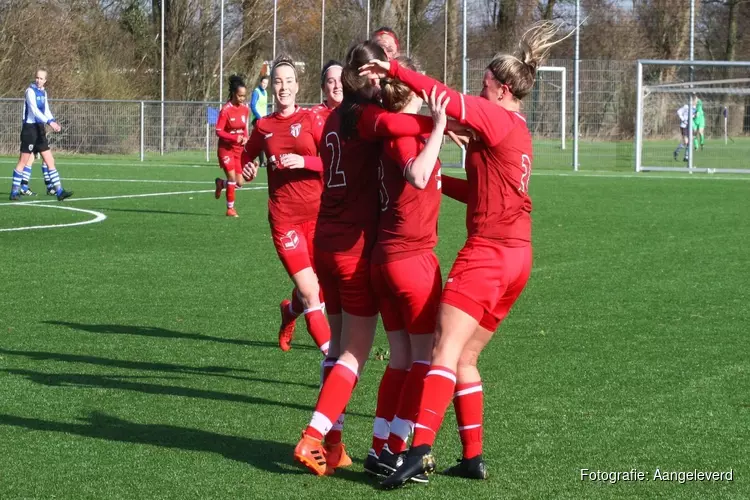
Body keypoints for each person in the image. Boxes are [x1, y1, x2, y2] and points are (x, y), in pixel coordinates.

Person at [360, 21, 568, 489]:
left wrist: (393, 68)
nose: (479, 90)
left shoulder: (495, 116)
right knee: (466, 358)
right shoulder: (516, 128)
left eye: (485, 85)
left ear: (503, 89)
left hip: (490, 256)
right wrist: (435, 179)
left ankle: (417, 451)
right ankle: (472, 457)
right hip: (518, 259)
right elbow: (478, 188)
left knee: (441, 350)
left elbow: (442, 96)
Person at [292, 41, 438, 478]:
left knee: (335, 350)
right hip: (357, 249)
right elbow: (399, 125)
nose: (382, 80)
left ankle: (334, 444)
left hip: (325, 241)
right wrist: (442, 120)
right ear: (367, 75)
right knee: (355, 354)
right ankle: (313, 436)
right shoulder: (365, 116)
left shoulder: (335, 117)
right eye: (377, 73)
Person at [368, 58, 446, 483]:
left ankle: (379, 447)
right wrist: (436, 127)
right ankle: (397, 450)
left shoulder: (401, 129)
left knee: (401, 357)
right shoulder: (402, 134)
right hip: (408, 259)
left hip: (389, 259)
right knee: (425, 358)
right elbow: (418, 176)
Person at [240, 55, 332, 359]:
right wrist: (247, 171)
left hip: (319, 217)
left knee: (319, 288)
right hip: (285, 221)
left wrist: (303, 161)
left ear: (297, 85)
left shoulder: (312, 120)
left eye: (288, 81)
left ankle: (289, 312)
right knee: (310, 292)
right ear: (272, 87)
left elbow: (332, 164)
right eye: (278, 81)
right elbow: (243, 163)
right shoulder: (264, 126)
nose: (283, 87)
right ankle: (333, 362)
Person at [10, 69, 72, 201]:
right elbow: (35, 110)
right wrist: (49, 122)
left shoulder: (44, 92)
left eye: (41, 78)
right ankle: (14, 192)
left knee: (50, 160)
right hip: (30, 129)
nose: (38, 80)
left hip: (40, 129)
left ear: (45, 80)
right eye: (37, 77)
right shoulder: (30, 91)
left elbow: (46, 110)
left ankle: (59, 191)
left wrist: (53, 121)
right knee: (23, 161)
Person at [214, 75, 250, 217]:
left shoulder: (245, 109)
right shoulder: (226, 110)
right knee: (232, 178)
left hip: (238, 150)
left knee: (240, 182)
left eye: (244, 96)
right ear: (234, 94)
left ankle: (220, 184)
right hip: (226, 149)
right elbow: (218, 131)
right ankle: (230, 209)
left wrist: (246, 138)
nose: (242, 98)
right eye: (240, 96)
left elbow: (244, 127)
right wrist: (234, 138)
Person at [250, 75, 269, 167]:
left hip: (263, 119)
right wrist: (259, 117)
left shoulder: (265, 92)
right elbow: (252, 105)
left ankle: (262, 161)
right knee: (262, 139)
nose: (264, 85)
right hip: (257, 119)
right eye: (263, 83)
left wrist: (266, 117)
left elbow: (264, 107)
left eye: (266, 83)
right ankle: (261, 161)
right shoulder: (256, 92)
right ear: (260, 82)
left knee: (262, 139)